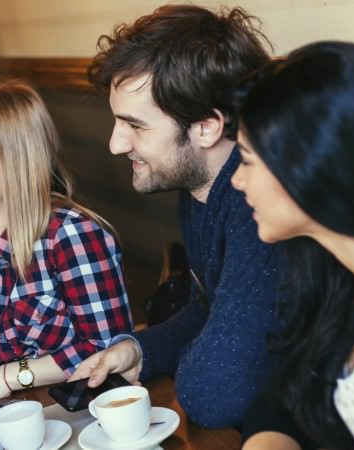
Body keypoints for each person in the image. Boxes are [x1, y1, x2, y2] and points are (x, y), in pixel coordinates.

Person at [68, 4, 281, 427]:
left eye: (135, 125)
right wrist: (141, 350)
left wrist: (189, 359)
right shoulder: (199, 188)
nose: (114, 144)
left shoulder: (261, 209)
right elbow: (208, 308)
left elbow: (213, 396)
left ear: (206, 127)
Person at [233, 41, 354, 450]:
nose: (237, 182)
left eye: (246, 160)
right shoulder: (328, 260)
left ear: (309, 166)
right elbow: (282, 394)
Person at [0, 82, 133, 407]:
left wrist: (11, 375)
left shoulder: (71, 236)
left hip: (77, 415)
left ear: (17, 156)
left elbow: (108, 348)